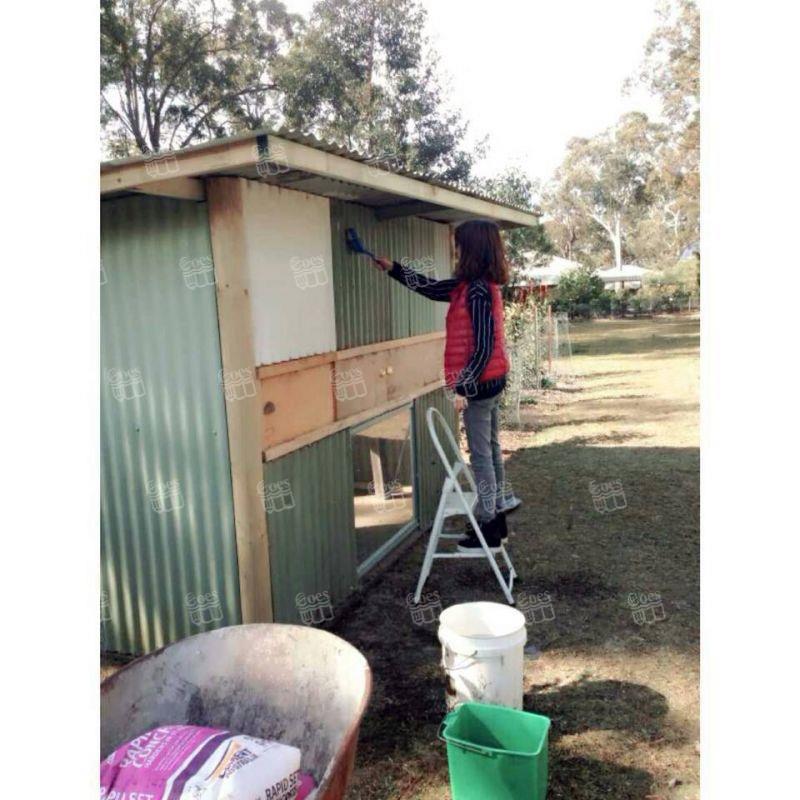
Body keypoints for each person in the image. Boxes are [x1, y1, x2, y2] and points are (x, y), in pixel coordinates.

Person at [372, 219, 521, 553]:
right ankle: (496, 519)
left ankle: (487, 525)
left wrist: (463, 387)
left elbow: (483, 346)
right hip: (490, 380)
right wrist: (394, 269)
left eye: (459, 245)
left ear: (472, 249)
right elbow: (431, 288)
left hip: (480, 384)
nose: (455, 251)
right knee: (490, 450)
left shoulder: (478, 290)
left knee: (481, 457)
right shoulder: (469, 287)